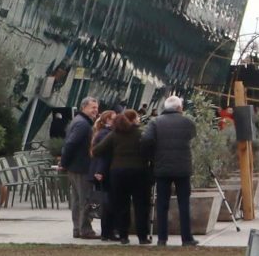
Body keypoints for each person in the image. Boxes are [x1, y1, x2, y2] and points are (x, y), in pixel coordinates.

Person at [145, 94, 200, 247]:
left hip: (162, 168)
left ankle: (162, 238)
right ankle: (187, 238)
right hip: (182, 168)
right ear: (179, 108)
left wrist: (153, 155)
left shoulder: (155, 122)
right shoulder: (187, 122)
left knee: (162, 204)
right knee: (184, 203)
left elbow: (146, 140)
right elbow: (192, 136)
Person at [102, 108, 152, 244]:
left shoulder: (114, 135)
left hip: (118, 173)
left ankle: (123, 235)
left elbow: (97, 150)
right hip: (139, 172)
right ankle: (142, 236)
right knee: (141, 205)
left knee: (121, 205)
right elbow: (149, 149)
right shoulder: (140, 134)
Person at [59, 97, 102, 238]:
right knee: (85, 199)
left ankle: (77, 228)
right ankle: (85, 229)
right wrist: (64, 163)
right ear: (84, 107)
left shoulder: (78, 121)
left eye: (96, 107)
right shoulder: (83, 124)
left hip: (76, 167)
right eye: (92, 108)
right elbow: (71, 144)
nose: (95, 110)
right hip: (81, 167)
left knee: (77, 200)